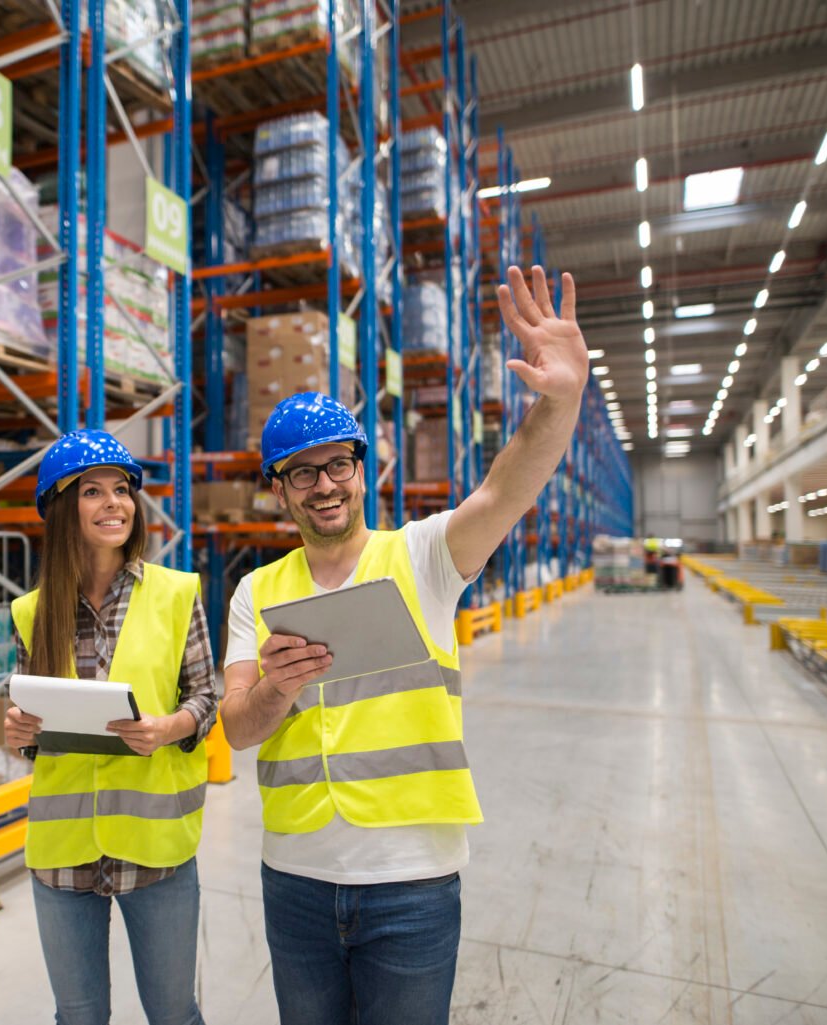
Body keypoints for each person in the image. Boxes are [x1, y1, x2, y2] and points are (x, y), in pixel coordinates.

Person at [219, 265, 590, 1025]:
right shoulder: (255, 593)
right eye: (302, 473)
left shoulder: (425, 557)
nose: (325, 485)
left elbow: (507, 487)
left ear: (362, 471)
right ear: (279, 490)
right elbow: (234, 727)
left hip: (413, 884)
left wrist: (562, 399)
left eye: (339, 465)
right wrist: (273, 691)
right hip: (295, 880)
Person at [4, 428, 217, 1025]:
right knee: (78, 1016)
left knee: (174, 1012)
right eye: (92, 492)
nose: (114, 503)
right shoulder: (31, 611)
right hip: (62, 850)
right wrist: (21, 735)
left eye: (121, 490)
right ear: (61, 510)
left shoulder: (177, 594)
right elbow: (33, 731)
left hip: (156, 850)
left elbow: (206, 696)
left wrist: (169, 726)